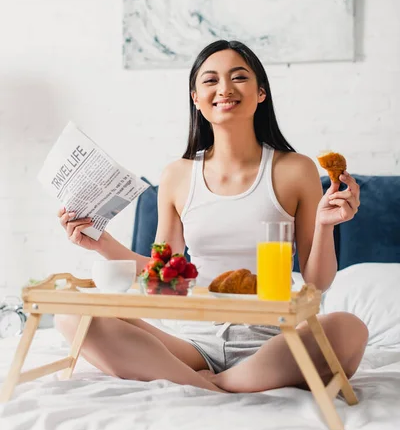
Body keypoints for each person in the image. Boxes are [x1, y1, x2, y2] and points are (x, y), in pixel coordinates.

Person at [55, 39, 368, 394]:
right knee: (70, 316)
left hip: (277, 340)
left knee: (348, 328)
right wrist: (100, 241)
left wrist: (325, 226)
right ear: (195, 98)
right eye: (210, 80)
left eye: (239, 77)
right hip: (192, 345)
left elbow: (317, 281)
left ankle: (214, 386)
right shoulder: (177, 175)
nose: (224, 89)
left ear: (261, 92)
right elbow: (162, 276)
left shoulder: (295, 169)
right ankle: (214, 382)